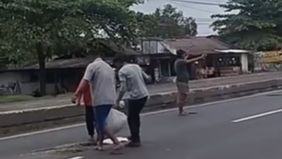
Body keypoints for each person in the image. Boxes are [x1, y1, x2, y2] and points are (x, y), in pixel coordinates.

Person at [72, 56, 123, 153]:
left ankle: (116, 142)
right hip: (111, 98)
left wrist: (76, 94)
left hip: (100, 99)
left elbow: (85, 81)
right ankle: (100, 143)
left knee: (100, 124)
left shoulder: (92, 66)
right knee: (102, 121)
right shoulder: (109, 68)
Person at [115, 56, 150, 147]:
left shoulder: (122, 71)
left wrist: (118, 99)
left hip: (135, 96)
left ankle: (135, 140)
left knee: (131, 118)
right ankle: (135, 136)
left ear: (119, 62)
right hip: (144, 94)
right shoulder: (136, 66)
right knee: (135, 116)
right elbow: (147, 78)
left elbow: (123, 88)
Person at [174, 50, 206, 116]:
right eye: (184, 54)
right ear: (182, 55)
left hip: (183, 81)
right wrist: (200, 57)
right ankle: (181, 111)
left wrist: (187, 55)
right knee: (183, 96)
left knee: (183, 95)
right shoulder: (180, 61)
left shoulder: (179, 61)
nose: (185, 55)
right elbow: (189, 61)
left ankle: (182, 110)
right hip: (181, 81)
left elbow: (186, 60)